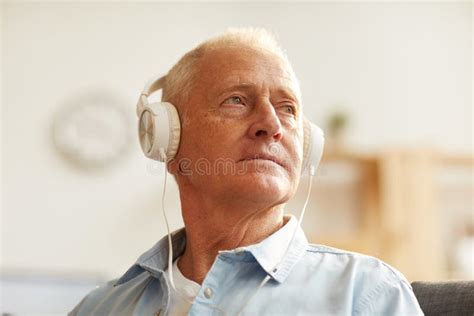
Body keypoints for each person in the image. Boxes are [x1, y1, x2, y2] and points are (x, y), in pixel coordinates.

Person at [70, 28, 423, 316]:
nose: (271, 124)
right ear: (167, 139)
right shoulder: (98, 308)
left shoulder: (369, 295)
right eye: (236, 100)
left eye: (288, 108)